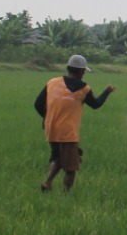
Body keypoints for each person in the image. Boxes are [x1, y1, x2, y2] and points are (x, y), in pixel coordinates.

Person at [35, 55, 115, 191]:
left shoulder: (52, 82)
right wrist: (107, 92)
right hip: (67, 132)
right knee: (71, 167)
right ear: (80, 71)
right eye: (83, 71)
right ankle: (67, 195)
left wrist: (46, 117)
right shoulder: (84, 89)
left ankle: (47, 183)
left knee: (59, 158)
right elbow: (96, 104)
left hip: (51, 129)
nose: (84, 73)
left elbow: (38, 104)